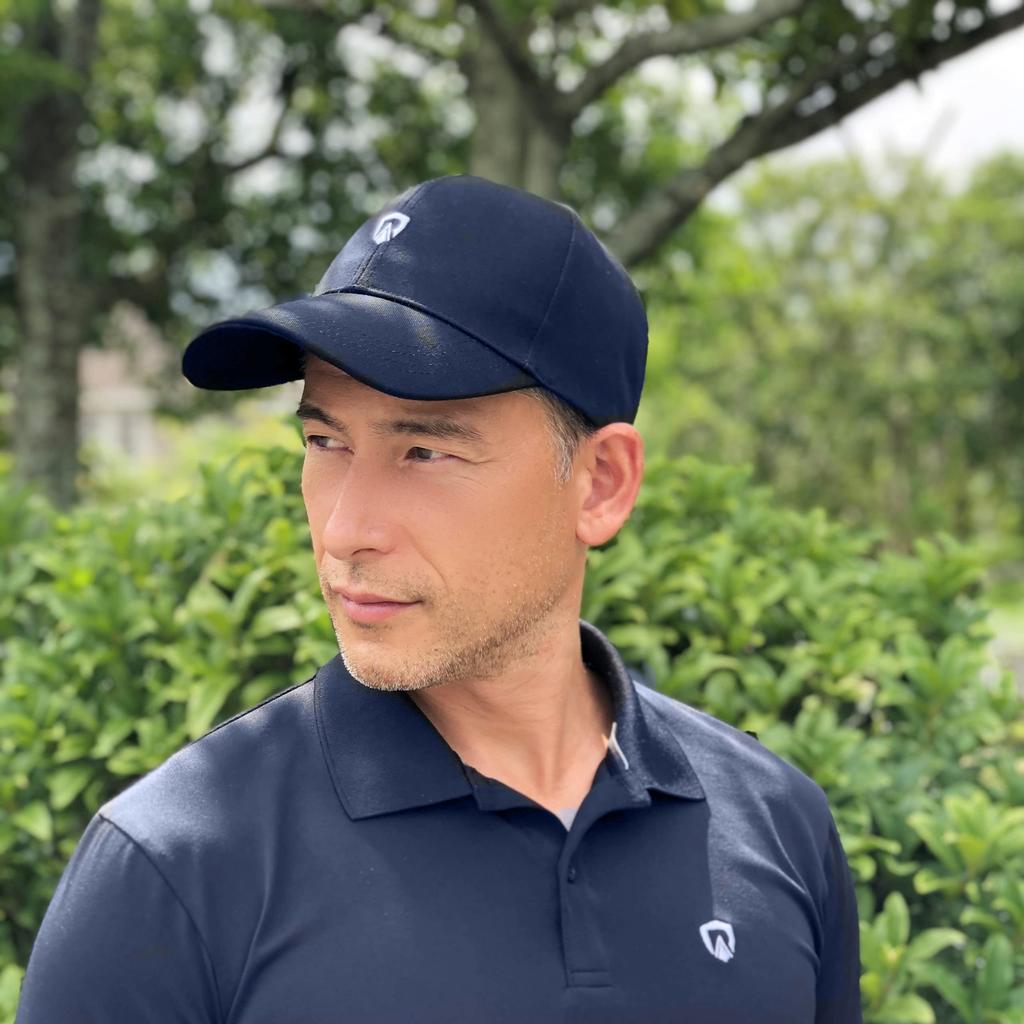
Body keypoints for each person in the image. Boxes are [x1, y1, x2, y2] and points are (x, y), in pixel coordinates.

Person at [16, 174, 862, 1023]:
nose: (345, 530)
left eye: (425, 452)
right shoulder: (172, 868)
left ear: (601, 483)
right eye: (325, 440)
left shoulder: (777, 824)